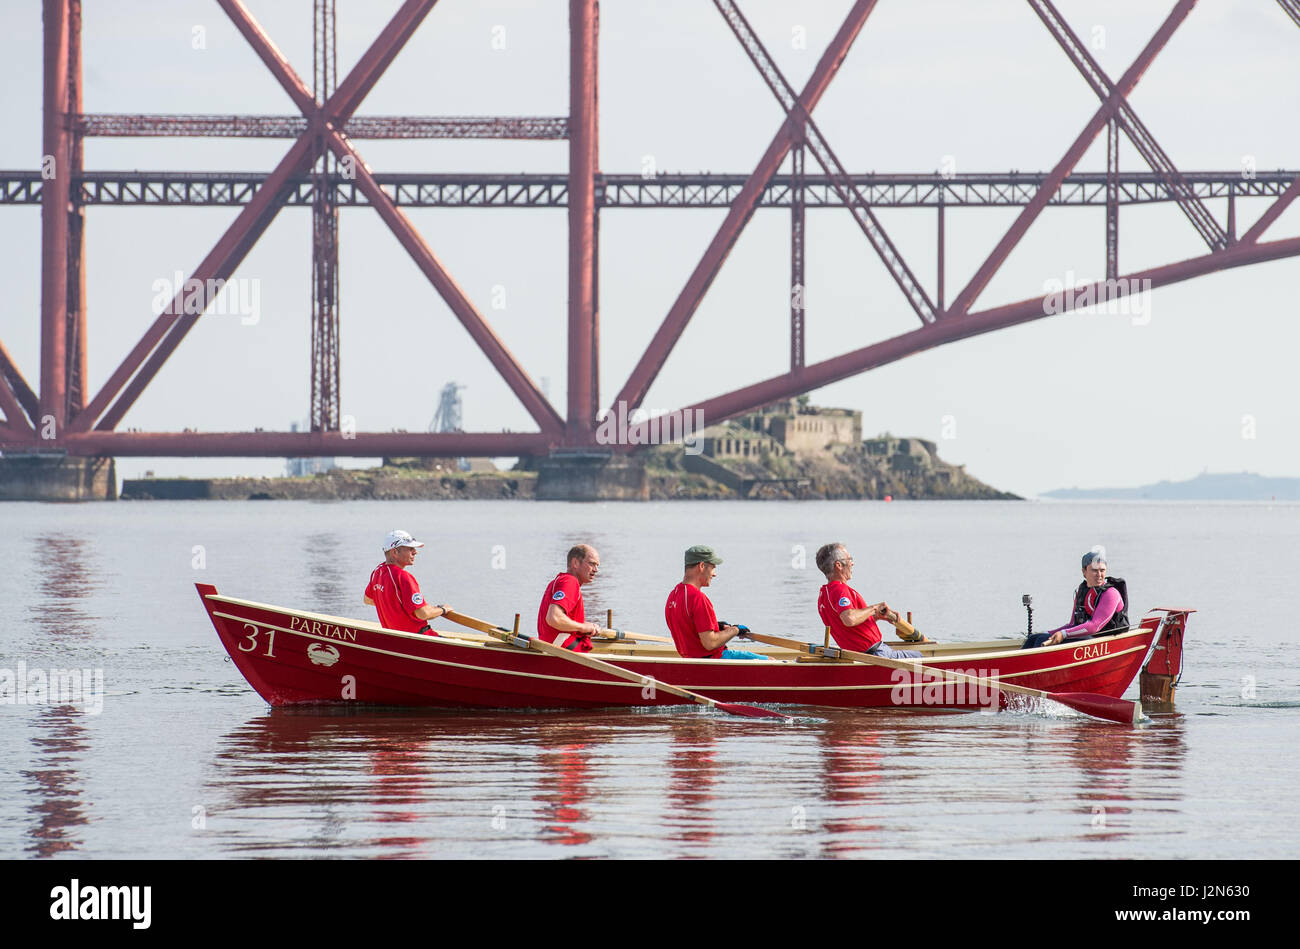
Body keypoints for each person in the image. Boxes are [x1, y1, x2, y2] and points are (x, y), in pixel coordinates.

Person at [814, 542, 922, 659]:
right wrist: (875, 608)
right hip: (875, 654)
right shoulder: (840, 590)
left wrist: (875, 617)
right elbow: (849, 619)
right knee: (921, 656)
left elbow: (848, 626)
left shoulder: (824, 595)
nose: (852, 563)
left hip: (858, 655)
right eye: (849, 559)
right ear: (839, 565)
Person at [664, 545, 769, 660]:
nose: (714, 574)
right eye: (713, 568)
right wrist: (735, 630)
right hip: (714, 659)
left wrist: (715, 626)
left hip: (690, 660)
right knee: (771, 661)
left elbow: (688, 625)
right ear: (702, 566)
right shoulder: (697, 597)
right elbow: (710, 643)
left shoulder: (673, 595)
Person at [1022, 545, 1130, 649]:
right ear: (1084, 571)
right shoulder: (1082, 591)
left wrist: (1064, 634)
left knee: (1041, 640)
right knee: (1035, 638)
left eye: (1102, 570)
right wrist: (1049, 633)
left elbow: (1094, 626)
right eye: (1094, 570)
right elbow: (1072, 624)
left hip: (1102, 641)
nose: (1099, 574)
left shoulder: (1111, 593)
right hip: (1086, 638)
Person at [363, 529, 453, 635]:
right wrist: (443, 609)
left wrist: (397, 605)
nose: (415, 552)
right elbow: (423, 613)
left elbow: (368, 599)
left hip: (396, 638)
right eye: (410, 549)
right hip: (420, 638)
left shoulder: (377, 572)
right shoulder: (403, 577)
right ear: (395, 552)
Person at [537, 544, 611, 652]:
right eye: (591, 564)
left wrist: (584, 625)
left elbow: (557, 620)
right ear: (575, 563)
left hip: (551, 645)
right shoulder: (570, 582)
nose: (596, 570)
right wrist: (583, 628)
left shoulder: (559, 581)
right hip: (561, 650)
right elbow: (554, 618)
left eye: (597, 565)